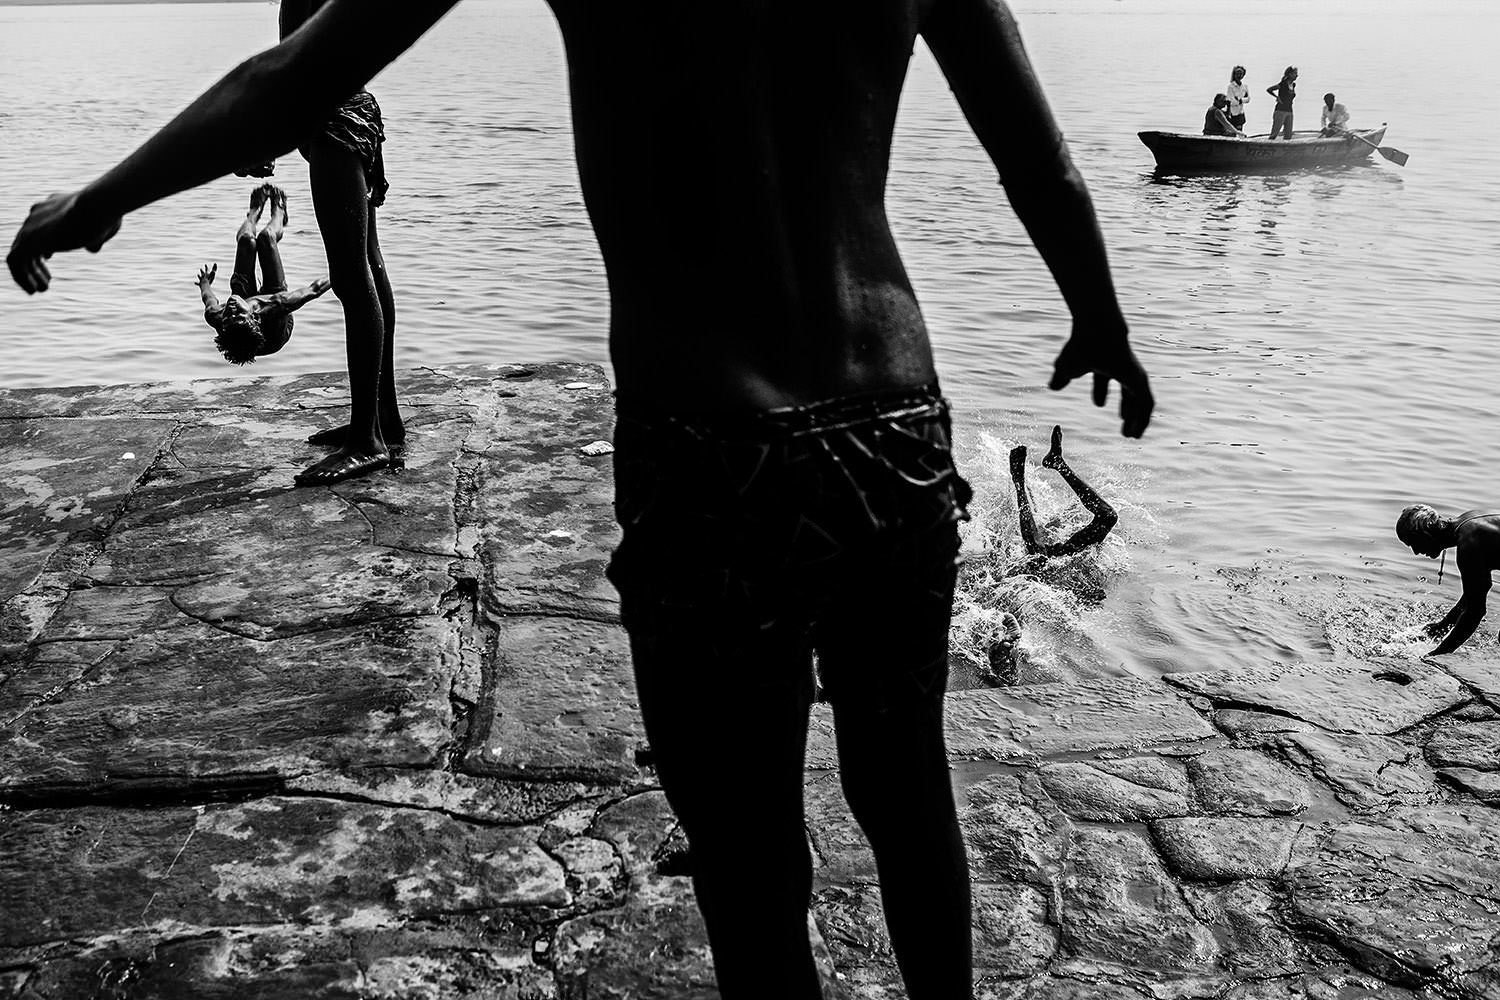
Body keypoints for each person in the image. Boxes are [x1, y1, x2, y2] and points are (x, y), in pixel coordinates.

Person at [5, 3, 1155, 996]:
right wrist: (1096, 313)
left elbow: (284, 84)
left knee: (752, 870)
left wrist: (102, 199)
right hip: (892, 425)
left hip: (712, 452)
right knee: (907, 797)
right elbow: (1035, 158)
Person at [280, 0, 403, 487]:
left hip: (333, 120)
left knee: (353, 278)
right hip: (351, 110)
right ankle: (382, 419)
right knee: (369, 266)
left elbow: (296, 64)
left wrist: (262, 139)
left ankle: (366, 440)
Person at [200, 183, 331, 364]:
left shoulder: (218, 315)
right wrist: (343, 265)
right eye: (237, 313)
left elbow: (209, 300)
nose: (231, 309)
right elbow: (314, 290)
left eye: (228, 317)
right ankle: (280, 213)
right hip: (277, 332)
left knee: (247, 241)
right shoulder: (275, 306)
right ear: (254, 316)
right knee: (266, 237)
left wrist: (205, 283)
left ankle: (253, 213)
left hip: (244, 329)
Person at [1396, 505, 1500, 656]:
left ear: (1426, 534)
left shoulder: (1469, 543)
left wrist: (1438, 654)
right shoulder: (1468, 522)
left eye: (1413, 543)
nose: (1416, 552)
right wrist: (1443, 626)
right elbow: (1478, 589)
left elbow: (1475, 611)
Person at [1266, 66, 1298, 139]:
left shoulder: (1293, 85)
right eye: (1295, 74)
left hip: (1289, 110)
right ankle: (1269, 145)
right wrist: (1277, 97)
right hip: (1280, 110)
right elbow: (1269, 89)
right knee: (1275, 132)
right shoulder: (1283, 84)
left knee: (1288, 133)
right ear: (1290, 74)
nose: (1296, 76)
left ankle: (1286, 148)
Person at [1225, 65, 1251, 132]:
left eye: (1241, 74)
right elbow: (1231, 101)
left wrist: (1240, 100)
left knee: (1240, 130)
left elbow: (1248, 99)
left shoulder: (1244, 86)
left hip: (1240, 112)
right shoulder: (1231, 86)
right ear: (1234, 74)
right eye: (1237, 73)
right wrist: (1239, 100)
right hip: (1232, 113)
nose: (1239, 75)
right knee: (1232, 131)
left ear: (1243, 75)